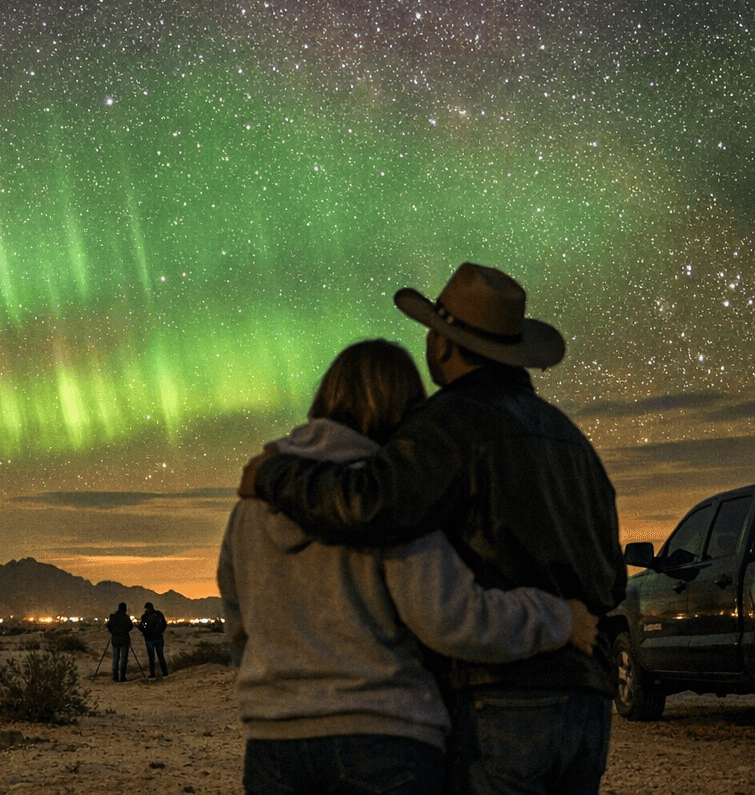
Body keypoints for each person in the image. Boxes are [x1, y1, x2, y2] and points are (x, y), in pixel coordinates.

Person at [240, 265, 626, 795]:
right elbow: (611, 577)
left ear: (445, 346)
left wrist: (273, 473)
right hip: (586, 703)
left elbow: (369, 505)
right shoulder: (573, 442)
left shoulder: (448, 424)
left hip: (499, 698)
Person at [138, 601, 169, 678]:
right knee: (160, 656)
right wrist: (160, 632)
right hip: (158, 638)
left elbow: (142, 626)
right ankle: (165, 672)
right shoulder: (159, 614)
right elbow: (164, 625)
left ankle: (153, 674)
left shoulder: (145, 616)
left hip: (149, 639)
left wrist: (144, 631)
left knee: (151, 657)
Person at [106, 602, 134, 682]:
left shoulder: (113, 617)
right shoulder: (125, 617)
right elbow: (130, 627)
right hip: (124, 639)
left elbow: (109, 626)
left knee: (115, 658)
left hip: (115, 639)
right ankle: (122, 676)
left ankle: (115, 676)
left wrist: (114, 632)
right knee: (124, 658)